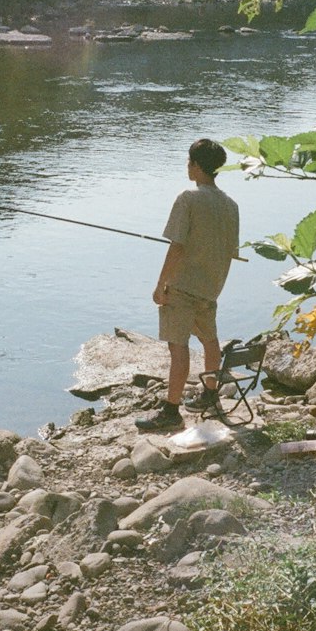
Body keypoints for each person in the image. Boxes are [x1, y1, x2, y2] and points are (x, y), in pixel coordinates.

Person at [135, 139, 240, 432]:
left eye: (189, 162)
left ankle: (171, 410)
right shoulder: (231, 205)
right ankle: (210, 395)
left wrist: (161, 284)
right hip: (211, 287)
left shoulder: (187, 198)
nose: (187, 167)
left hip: (182, 287)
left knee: (178, 347)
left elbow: (177, 248)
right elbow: (229, 253)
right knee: (210, 341)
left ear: (195, 165)